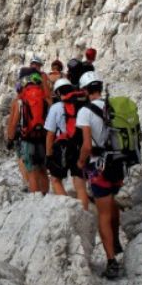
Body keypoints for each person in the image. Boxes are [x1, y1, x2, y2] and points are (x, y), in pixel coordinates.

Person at [76, 71, 125, 279]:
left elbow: (87, 145)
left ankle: (111, 261)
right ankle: (115, 242)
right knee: (112, 202)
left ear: (86, 90)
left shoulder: (85, 112)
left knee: (102, 214)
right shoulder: (112, 105)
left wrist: (80, 162)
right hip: (119, 164)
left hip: (100, 168)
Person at [44, 78, 89, 209]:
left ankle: (67, 210)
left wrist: (49, 155)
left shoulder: (56, 108)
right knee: (80, 185)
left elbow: (50, 134)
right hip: (79, 146)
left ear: (57, 93)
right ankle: (84, 214)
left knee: (56, 179)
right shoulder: (82, 106)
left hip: (62, 148)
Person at [6, 67, 49, 194]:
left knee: (32, 171)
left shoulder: (19, 100)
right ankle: (46, 197)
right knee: (43, 170)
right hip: (42, 138)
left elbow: (13, 123)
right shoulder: (43, 97)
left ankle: (36, 199)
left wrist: (10, 139)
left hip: (27, 139)